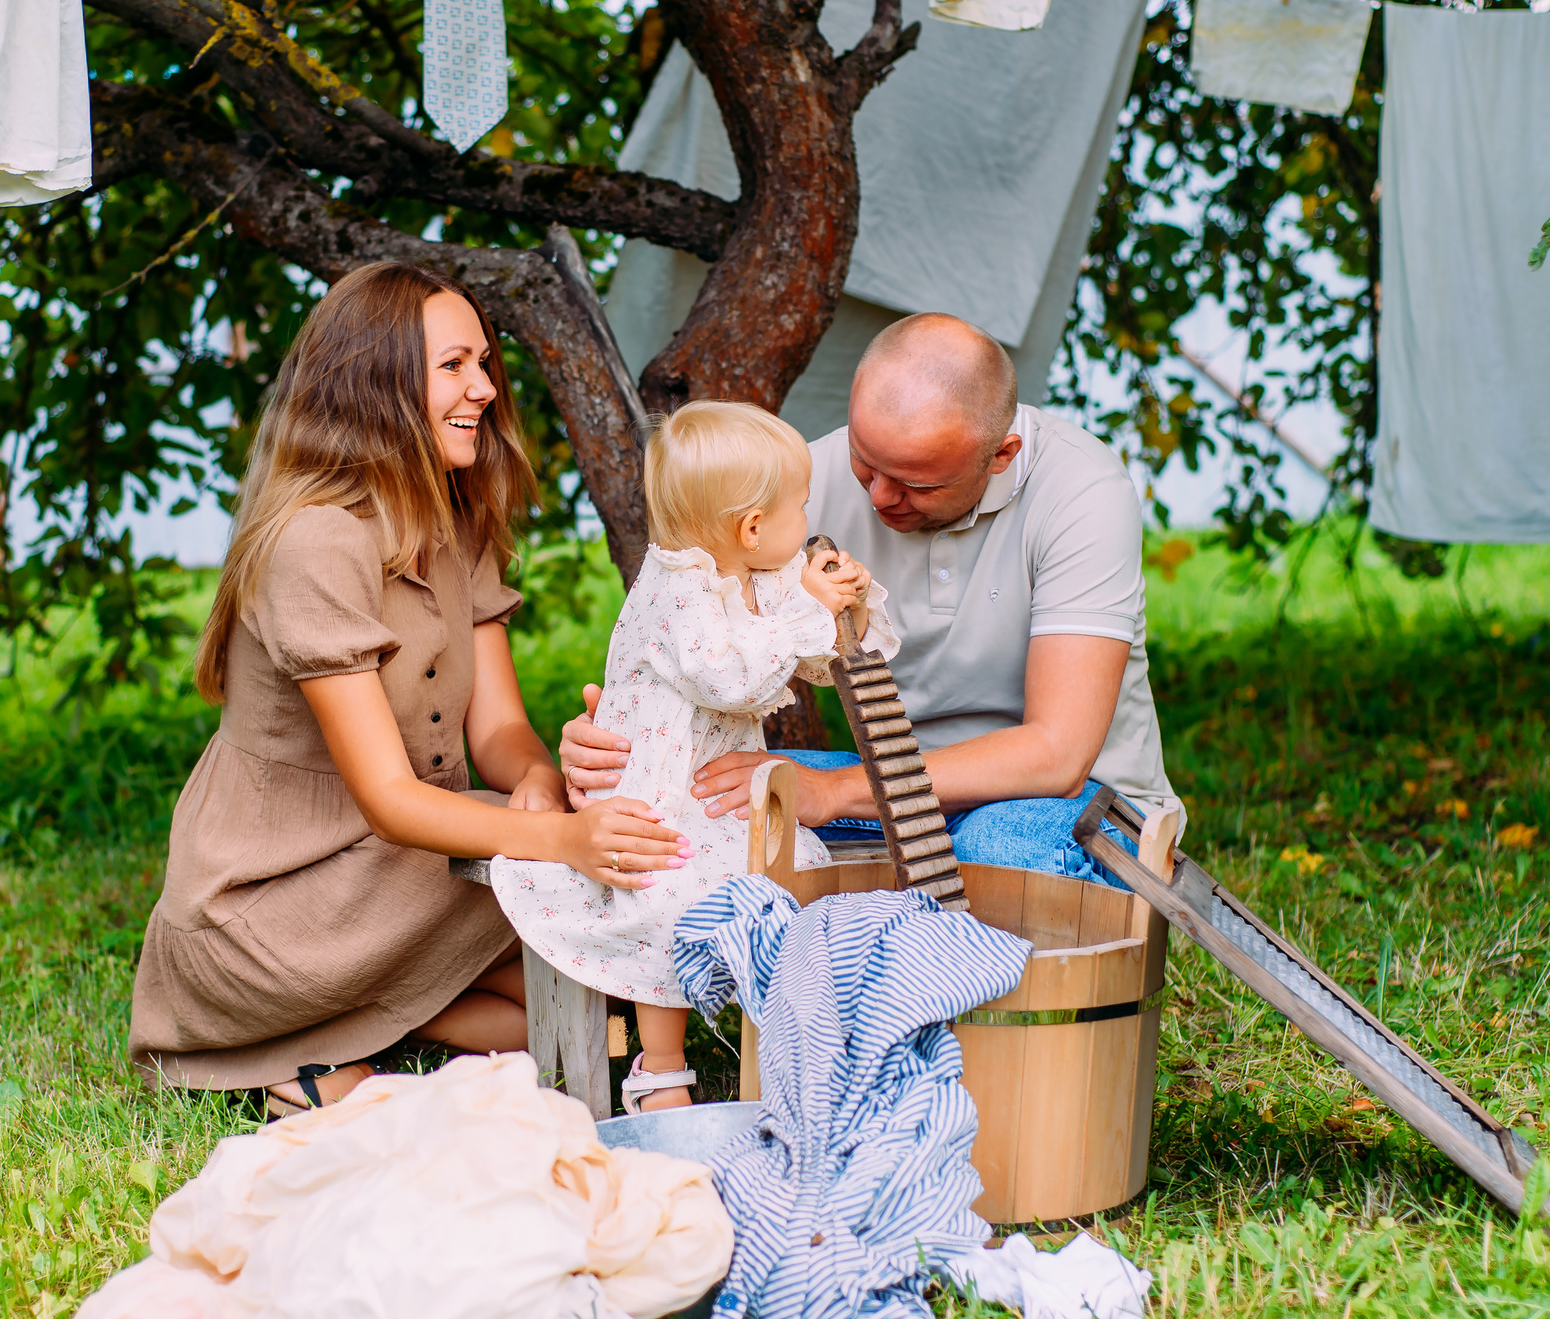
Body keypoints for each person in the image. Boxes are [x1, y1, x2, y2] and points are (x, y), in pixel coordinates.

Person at [130, 262, 687, 1117]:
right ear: (379, 382)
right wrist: (565, 840)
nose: (486, 389)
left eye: (485, 364)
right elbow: (391, 799)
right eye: (455, 366)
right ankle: (317, 1039)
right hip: (276, 904)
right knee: (586, 968)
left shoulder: (457, 517)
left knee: (604, 993)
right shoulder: (315, 543)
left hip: (405, 870)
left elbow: (498, 727)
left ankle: (369, 1037)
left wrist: (537, 785)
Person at [560, 312, 1172, 883]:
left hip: (1075, 797)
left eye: (916, 484)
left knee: (996, 853)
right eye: (863, 462)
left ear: (1000, 456)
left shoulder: (1083, 493)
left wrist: (835, 793)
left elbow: (1057, 755)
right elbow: (693, 623)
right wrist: (623, 742)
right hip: (893, 779)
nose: (877, 499)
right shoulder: (800, 481)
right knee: (701, 794)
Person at [491, 403, 889, 1113]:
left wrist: (842, 607)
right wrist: (806, 607)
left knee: (796, 864)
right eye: (800, 507)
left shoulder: (756, 572)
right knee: (670, 892)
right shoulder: (679, 590)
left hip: (712, 792)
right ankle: (659, 1066)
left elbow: (821, 663)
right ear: (752, 527)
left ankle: (784, 1032)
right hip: (654, 795)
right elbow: (731, 677)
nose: (809, 518)